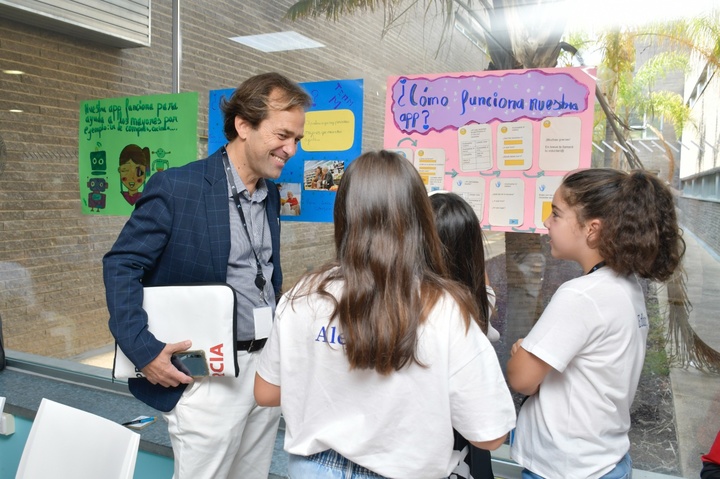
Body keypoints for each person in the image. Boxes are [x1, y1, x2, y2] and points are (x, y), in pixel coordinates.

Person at [254, 150, 516, 479]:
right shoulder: (445, 309)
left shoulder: (303, 295)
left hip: (312, 469)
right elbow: (490, 435)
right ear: (419, 220)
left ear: (343, 215)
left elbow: (265, 393)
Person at [104, 72, 311, 479]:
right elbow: (121, 265)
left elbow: (261, 274)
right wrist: (143, 350)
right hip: (210, 378)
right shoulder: (177, 187)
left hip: (265, 369)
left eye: (297, 140)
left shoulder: (269, 195)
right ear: (243, 125)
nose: (291, 149)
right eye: (283, 135)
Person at [507, 168, 685, 479]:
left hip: (566, 469)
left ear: (592, 228)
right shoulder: (626, 286)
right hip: (604, 461)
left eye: (557, 214)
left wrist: (522, 353)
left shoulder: (582, 296)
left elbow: (522, 379)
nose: (547, 222)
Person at [429, 191, 499, 479]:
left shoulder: (421, 310)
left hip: (430, 439)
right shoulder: (478, 304)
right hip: (467, 435)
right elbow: (483, 284)